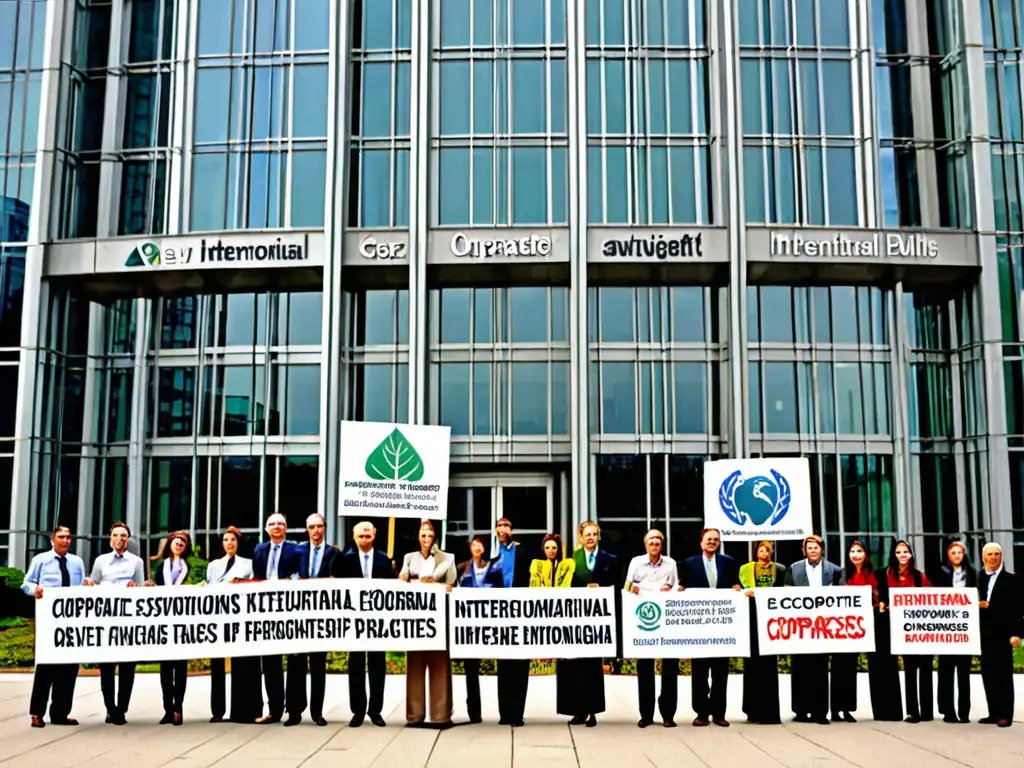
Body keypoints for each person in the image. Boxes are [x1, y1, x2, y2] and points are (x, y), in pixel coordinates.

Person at [330, 520, 396, 727]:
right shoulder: (344, 560)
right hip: (354, 622)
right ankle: (357, 712)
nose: (364, 538)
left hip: (377, 623)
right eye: (361, 535)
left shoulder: (384, 560)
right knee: (356, 665)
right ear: (354, 536)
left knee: (377, 665)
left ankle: (375, 711)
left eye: (368, 535)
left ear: (374, 535)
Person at [22, 526, 85, 728]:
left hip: (71, 622)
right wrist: (35, 590)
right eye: (61, 537)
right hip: (50, 621)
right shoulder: (40, 560)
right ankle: (37, 713)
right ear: (52, 539)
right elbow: (26, 583)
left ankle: (60, 713)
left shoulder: (77, 562)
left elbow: (80, 586)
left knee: (69, 668)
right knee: (45, 668)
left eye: (68, 537)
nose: (66, 541)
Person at [678, 527, 741, 727]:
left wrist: (737, 589)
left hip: (722, 628)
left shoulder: (729, 563)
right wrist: (680, 590)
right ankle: (701, 713)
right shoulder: (688, 564)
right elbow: (682, 587)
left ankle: (719, 713)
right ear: (701, 542)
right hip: (698, 628)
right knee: (699, 672)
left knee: (721, 672)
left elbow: (736, 585)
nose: (712, 542)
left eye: (716, 539)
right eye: (709, 539)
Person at [85, 521, 146, 725]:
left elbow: (141, 588)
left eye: (123, 536)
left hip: (128, 621)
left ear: (128, 539)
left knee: (128, 667)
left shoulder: (136, 562)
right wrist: (89, 584)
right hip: (106, 621)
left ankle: (122, 708)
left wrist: (135, 587)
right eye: (116, 535)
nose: (119, 539)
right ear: (111, 539)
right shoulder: (101, 561)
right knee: (107, 668)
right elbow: (94, 583)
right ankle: (110, 708)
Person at [557, 520, 616, 728]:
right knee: (575, 666)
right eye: (587, 534)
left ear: (598, 536)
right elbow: (563, 587)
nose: (590, 537)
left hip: (598, 621)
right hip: (577, 619)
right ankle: (578, 711)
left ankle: (593, 711)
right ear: (580, 538)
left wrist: (601, 587)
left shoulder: (609, 559)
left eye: (594, 534)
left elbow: (616, 586)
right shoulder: (572, 560)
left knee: (593, 666)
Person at [399, 520, 457, 729]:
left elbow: (452, 585)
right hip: (415, 620)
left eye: (429, 534)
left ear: (435, 536)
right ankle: (414, 715)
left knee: (440, 665)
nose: (426, 538)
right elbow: (401, 582)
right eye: (423, 534)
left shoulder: (447, 558)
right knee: (414, 665)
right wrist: (404, 577)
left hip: (439, 618)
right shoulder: (409, 558)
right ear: (418, 537)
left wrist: (437, 585)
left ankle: (441, 715)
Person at [286, 513, 340, 727]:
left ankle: (317, 712)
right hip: (299, 616)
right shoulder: (297, 550)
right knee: (295, 664)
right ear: (307, 529)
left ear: (324, 528)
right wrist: (295, 580)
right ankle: (294, 712)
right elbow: (288, 574)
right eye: (312, 527)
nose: (316, 531)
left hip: (321, 617)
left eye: (319, 526)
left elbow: (339, 579)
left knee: (318, 665)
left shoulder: (334, 552)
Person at [205, 526, 260, 724]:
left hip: (240, 620)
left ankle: (241, 711)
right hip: (218, 619)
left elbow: (254, 586)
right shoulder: (214, 566)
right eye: (226, 540)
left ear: (238, 543)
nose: (230, 543)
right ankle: (217, 711)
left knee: (241, 665)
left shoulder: (247, 564)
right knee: (217, 666)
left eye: (233, 540)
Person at [785, 534, 842, 725]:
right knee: (800, 668)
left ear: (822, 549)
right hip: (800, 627)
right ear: (804, 551)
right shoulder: (794, 568)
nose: (813, 551)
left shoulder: (834, 570)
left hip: (822, 628)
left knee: (819, 669)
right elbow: (786, 594)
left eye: (816, 547)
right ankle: (801, 710)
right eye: (809, 548)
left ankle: (819, 712)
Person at [625, 528, 679, 728]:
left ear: (661, 545)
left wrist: (668, 590)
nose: (654, 546)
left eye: (658, 543)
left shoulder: (671, 564)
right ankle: (646, 715)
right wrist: (636, 589)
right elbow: (627, 587)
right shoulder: (636, 563)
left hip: (667, 622)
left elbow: (676, 588)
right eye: (651, 542)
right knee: (645, 667)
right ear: (645, 545)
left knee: (670, 668)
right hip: (644, 620)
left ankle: (668, 714)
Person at [251, 511, 300, 724]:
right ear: (266, 528)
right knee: (270, 662)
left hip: (288, 610)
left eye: (281, 523)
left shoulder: (295, 549)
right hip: (266, 611)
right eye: (272, 524)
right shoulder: (259, 550)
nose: (277, 526)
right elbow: (256, 578)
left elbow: (300, 575)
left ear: (286, 528)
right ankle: (274, 710)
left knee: (293, 661)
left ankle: (294, 711)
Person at [455, 537, 503, 723]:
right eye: (473, 545)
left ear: (483, 548)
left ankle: (503, 710)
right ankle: (474, 712)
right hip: (469, 625)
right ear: (470, 548)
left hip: (490, 622)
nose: (476, 547)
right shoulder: (461, 567)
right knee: (471, 670)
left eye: (479, 544)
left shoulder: (493, 567)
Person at [738, 540, 786, 725]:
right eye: (761, 549)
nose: (764, 553)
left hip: (771, 618)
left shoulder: (779, 569)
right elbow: (742, 588)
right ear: (756, 551)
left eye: (767, 550)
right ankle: (752, 709)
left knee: (769, 664)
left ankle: (769, 711)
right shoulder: (746, 568)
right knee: (752, 663)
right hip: (751, 616)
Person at [886, 539, 933, 723]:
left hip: (921, 629)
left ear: (911, 554)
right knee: (910, 670)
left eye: (905, 552)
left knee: (926, 669)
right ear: (894, 555)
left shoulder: (920, 577)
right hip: (901, 630)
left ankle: (927, 711)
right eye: (898, 552)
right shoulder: (889, 575)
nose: (902, 555)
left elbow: (931, 599)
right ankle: (913, 711)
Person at [147, 530, 191, 726]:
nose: (179, 544)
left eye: (182, 542)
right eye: (176, 541)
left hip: (182, 624)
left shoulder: (188, 568)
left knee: (180, 668)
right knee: (165, 669)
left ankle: (178, 709)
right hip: (164, 623)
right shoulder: (161, 566)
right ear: (170, 544)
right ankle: (167, 709)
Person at [976, 542, 1022, 727]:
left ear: (1001, 557)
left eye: (997, 554)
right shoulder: (977, 577)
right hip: (983, 634)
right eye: (990, 554)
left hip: (1003, 634)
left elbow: (1018, 609)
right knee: (988, 674)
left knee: (1003, 675)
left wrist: (1017, 633)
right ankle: (993, 713)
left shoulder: (1012, 580)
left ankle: (1005, 715)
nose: (993, 557)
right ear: (983, 557)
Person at [493, 517, 532, 727]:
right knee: (504, 665)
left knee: (519, 664)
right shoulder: (491, 555)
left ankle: (518, 713)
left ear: (511, 529)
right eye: (499, 526)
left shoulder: (523, 551)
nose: (502, 529)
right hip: (500, 614)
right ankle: (504, 713)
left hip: (520, 613)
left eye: (506, 526)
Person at [934, 540, 977, 723]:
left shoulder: (972, 574)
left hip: (965, 630)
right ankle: (948, 710)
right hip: (946, 630)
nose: (957, 555)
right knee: (946, 670)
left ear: (964, 554)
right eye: (954, 552)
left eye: (960, 552)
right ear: (948, 555)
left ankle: (964, 711)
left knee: (963, 672)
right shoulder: (941, 573)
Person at [832, 540, 871, 723]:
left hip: (859, 629)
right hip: (841, 627)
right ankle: (835, 709)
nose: (856, 554)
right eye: (852, 551)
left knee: (850, 670)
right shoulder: (841, 574)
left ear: (865, 554)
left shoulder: (871, 574)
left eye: (859, 551)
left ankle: (847, 708)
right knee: (838, 667)